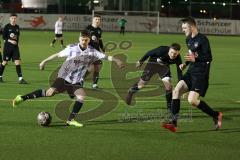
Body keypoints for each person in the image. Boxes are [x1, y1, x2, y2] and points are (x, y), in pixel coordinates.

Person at [12, 30, 124, 127]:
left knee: (81, 96)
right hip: (64, 75)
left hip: (76, 80)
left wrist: (117, 60)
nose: (84, 42)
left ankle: (70, 120)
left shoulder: (92, 51)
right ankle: (22, 98)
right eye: (83, 40)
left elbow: (105, 56)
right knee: (50, 93)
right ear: (79, 39)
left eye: (86, 40)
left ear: (89, 40)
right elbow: (57, 55)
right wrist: (44, 61)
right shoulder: (71, 49)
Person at [162, 17, 222, 132]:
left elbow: (209, 58)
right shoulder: (188, 40)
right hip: (191, 72)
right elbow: (192, 56)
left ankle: (216, 115)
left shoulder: (203, 39)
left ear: (192, 26)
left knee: (192, 101)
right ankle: (173, 123)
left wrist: (196, 59)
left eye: (184, 28)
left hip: (201, 73)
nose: (183, 30)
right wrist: (185, 64)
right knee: (176, 90)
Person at [125, 43, 183, 110]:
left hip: (163, 68)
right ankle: (131, 91)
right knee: (141, 85)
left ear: (178, 53)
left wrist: (180, 85)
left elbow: (179, 71)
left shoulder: (178, 58)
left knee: (169, 86)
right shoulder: (161, 50)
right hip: (152, 65)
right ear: (169, 50)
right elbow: (149, 53)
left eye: (175, 54)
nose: (173, 55)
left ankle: (169, 107)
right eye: (171, 52)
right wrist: (141, 61)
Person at [0, 13, 28, 84]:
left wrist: (17, 45)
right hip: (7, 48)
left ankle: (20, 79)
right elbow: (3, 38)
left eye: (15, 18)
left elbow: (17, 37)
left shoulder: (17, 27)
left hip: (15, 48)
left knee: (17, 62)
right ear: (10, 19)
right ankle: (0, 76)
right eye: (12, 18)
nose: (13, 19)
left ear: (16, 19)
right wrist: (11, 41)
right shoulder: (6, 27)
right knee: (4, 62)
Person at [85, 15, 105, 89]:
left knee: (97, 67)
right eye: (96, 19)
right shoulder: (88, 28)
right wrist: (90, 37)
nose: (97, 20)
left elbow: (100, 40)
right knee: (91, 67)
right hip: (89, 50)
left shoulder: (99, 30)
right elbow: (82, 38)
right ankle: (80, 79)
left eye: (99, 19)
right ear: (93, 20)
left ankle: (94, 85)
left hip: (96, 51)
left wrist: (102, 48)